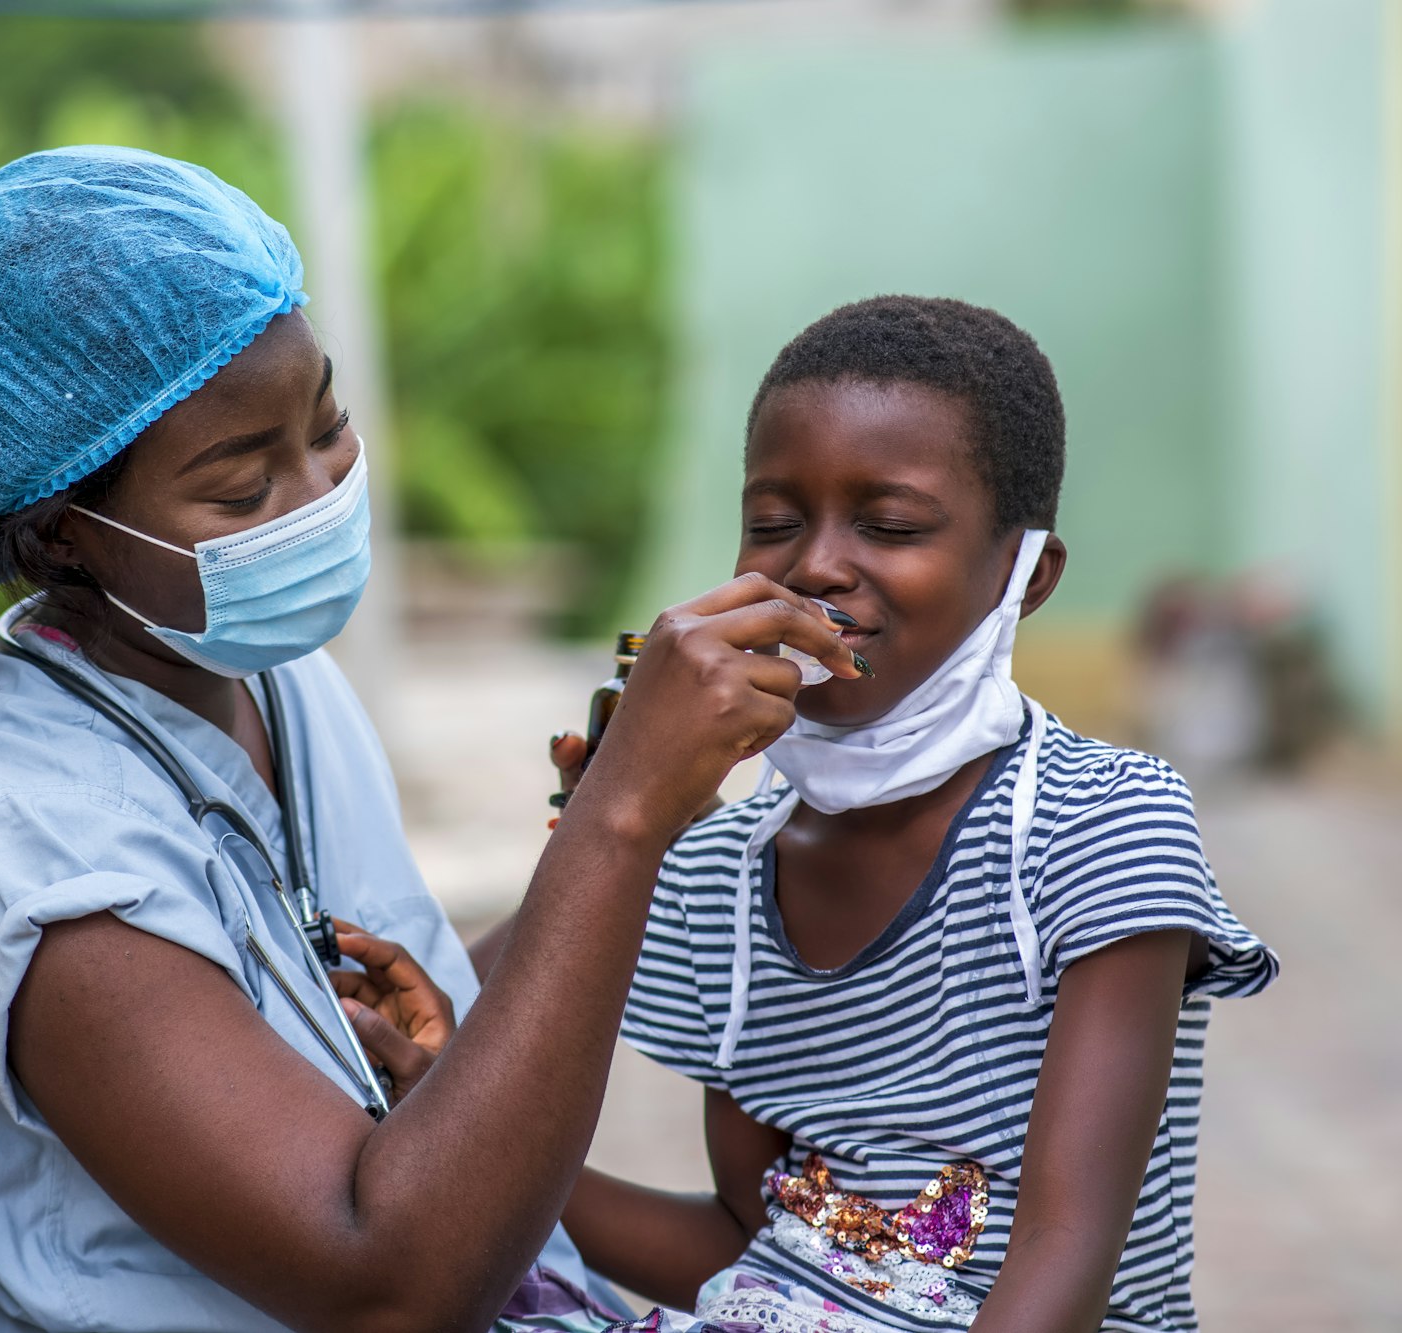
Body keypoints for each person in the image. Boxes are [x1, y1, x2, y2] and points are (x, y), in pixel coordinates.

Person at [0, 145, 864, 1333]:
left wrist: (613, 835)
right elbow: (382, 1281)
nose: (320, 491)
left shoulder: (267, 680)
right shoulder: (34, 854)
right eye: (240, 490)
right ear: (61, 533)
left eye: (325, 426)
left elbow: (335, 1016)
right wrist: (618, 831)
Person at [533, 297, 1277, 1331]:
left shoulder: (1098, 824)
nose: (815, 566)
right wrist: (612, 824)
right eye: (772, 524)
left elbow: (1060, 1266)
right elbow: (756, 1246)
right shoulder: (716, 867)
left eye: (887, 525)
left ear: (1024, 575)